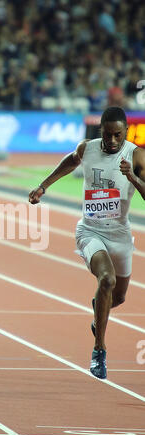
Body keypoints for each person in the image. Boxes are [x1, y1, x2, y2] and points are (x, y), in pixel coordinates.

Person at [29, 106, 145, 380]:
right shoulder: (88, 148)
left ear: (126, 132)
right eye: (108, 135)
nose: (112, 141)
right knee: (106, 280)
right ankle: (99, 351)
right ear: (100, 131)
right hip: (90, 231)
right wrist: (43, 186)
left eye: (118, 135)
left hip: (120, 234)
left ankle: (98, 313)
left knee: (118, 297)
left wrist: (133, 177)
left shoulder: (136, 155)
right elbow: (70, 161)